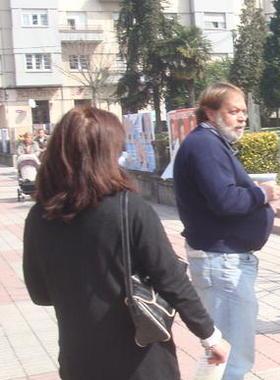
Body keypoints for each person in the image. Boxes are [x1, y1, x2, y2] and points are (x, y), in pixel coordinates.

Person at [23, 107, 229, 380]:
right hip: (139, 359)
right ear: (108, 153)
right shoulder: (128, 208)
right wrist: (210, 336)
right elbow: (170, 279)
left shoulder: (40, 215)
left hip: (79, 360)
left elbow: (40, 294)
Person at [173, 82, 279, 380]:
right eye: (233, 111)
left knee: (225, 353)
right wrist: (263, 194)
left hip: (224, 260)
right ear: (210, 112)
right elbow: (226, 200)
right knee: (232, 357)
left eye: (244, 111)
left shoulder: (208, 143)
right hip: (222, 262)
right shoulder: (205, 144)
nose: (242, 118)